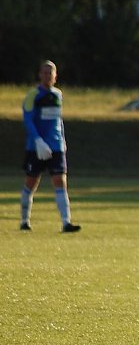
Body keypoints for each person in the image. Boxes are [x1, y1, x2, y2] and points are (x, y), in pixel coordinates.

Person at [20, 60, 81, 233]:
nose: (47, 75)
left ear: (55, 76)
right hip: (36, 147)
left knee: (60, 181)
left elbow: (58, 120)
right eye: (44, 72)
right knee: (31, 182)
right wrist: (38, 140)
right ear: (40, 75)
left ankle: (66, 222)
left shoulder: (58, 95)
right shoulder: (33, 95)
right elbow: (28, 119)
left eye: (50, 72)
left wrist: (62, 140)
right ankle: (24, 220)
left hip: (56, 146)